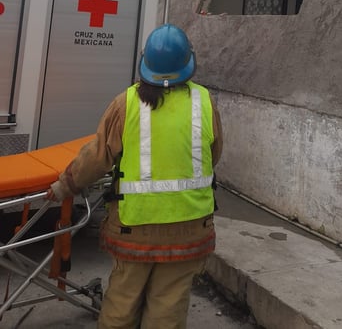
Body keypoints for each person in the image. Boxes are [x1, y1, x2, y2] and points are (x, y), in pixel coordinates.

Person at [47, 24, 223, 329]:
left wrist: (65, 186)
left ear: (146, 65)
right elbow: (213, 155)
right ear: (188, 63)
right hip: (190, 228)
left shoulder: (126, 103)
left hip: (134, 228)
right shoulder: (204, 102)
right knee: (167, 309)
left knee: (122, 305)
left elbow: (97, 158)